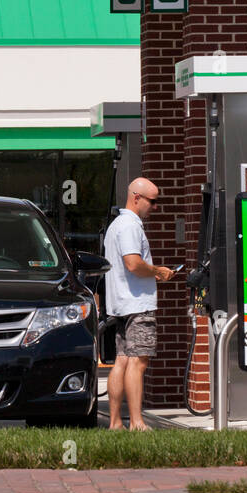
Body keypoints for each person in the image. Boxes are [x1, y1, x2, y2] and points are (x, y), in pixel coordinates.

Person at [104, 178, 177, 431]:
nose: (155, 207)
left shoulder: (116, 225)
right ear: (136, 197)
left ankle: (115, 423)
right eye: (152, 201)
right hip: (137, 304)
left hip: (121, 304)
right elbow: (133, 264)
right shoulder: (130, 226)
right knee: (138, 361)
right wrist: (158, 271)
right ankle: (136, 422)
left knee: (122, 360)